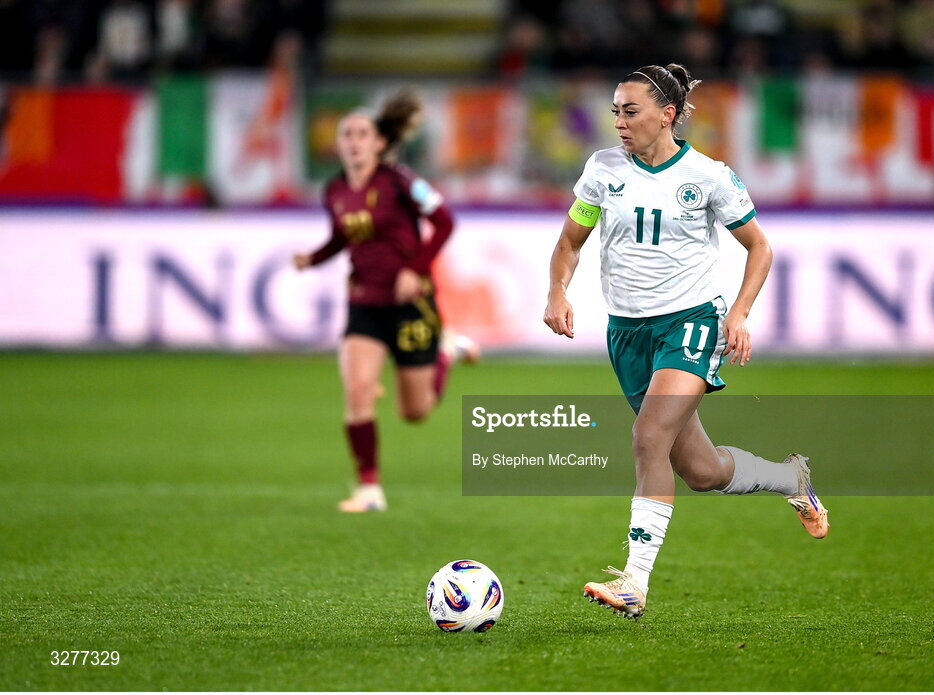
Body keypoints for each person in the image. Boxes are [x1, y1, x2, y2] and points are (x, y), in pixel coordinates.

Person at [543, 64, 829, 620]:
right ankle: (790, 477)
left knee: (649, 436)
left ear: (666, 114)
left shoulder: (709, 176)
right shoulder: (602, 171)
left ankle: (635, 580)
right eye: (615, 112)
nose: (619, 123)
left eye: (630, 111)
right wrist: (558, 292)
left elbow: (760, 247)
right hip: (627, 333)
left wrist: (740, 314)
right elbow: (570, 242)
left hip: (691, 323)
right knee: (701, 471)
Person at [294, 90, 477, 513]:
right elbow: (344, 236)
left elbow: (445, 222)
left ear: (379, 142)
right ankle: (369, 489)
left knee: (415, 411)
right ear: (339, 144)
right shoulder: (335, 189)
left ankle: (445, 352)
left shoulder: (401, 181)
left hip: (412, 303)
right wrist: (314, 258)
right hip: (364, 303)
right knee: (357, 390)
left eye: (362, 134)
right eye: (346, 134)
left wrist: (415, 269)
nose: (353, 141)